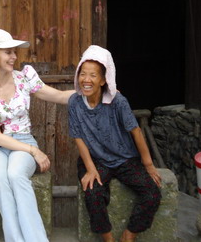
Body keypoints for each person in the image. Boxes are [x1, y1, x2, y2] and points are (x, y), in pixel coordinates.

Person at [0, 29, 74, 242]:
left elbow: (60, 96)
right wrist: (34, 151)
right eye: (8, 52)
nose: (14, 57)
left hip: (23, 139)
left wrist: (94, 92)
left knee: (16, 175)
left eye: (14, 52)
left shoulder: (24, 78)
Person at [68, 45, 162, 242]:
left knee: (152, 193)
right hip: (96, 159)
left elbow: (136, 132)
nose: (86, 80)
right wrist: (90, 168)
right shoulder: (74, 103)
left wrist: (148, 164)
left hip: (125, 159)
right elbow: (78, 137)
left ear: (103, 80)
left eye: (93, 75)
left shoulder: (118, 101)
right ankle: (108, 239)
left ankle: (129, 235)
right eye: (82, 74)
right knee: (93, 194)